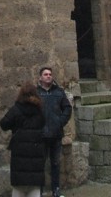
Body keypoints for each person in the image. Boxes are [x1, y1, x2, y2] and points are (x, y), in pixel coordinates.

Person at [0, 81, 46, 197]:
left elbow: (4, 124)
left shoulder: (16, 109)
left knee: (18, 189)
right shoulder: (40, 111)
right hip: (36, 153)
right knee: (35, 189)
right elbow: (44, 124)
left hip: (19, 154)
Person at [36, 67, 72, 197]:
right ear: (40, 77)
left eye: (50, 74)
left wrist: (60, 122)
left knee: (55, 163)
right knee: (40, 164)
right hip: (41, 135)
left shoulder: (59, 92)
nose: (48, 76)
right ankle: (38, 191)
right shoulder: (36, 93)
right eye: (45, 74)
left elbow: (67, 108)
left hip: (56, 135)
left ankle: (56, 189)